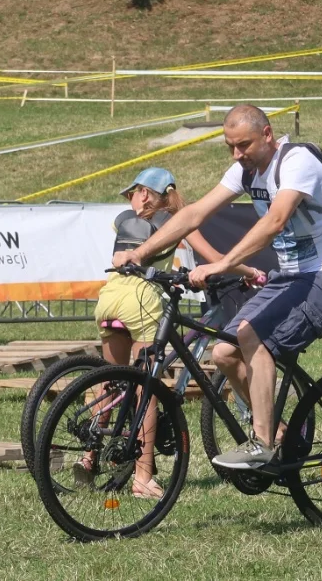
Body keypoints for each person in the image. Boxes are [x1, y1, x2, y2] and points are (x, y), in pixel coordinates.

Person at [113, 104, 322, 470]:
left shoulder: (297, 161)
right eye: (230, 146)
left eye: (243, 145)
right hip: (293, 276)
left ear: (267, 134)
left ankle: (261, 443)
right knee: (225, 353)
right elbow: (195, 213)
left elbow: (276, 221)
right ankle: (278, 434)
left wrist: (224, 264)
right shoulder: (245, 171)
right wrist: (142, 253)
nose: (236, 154)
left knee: (252, 336)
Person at [86, 167, 262, 498]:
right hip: (140, 302)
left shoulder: (124, 219)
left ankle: (88, 456)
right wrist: (250, 271)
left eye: (134, 192)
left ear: (143, 193)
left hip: (108, 298)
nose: (131, 198)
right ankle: (143, 476)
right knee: (146, 388)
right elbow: (213, 257)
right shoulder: (173, 218)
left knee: (108, 380)